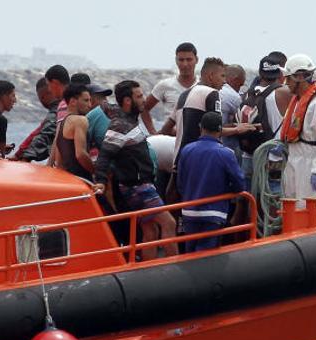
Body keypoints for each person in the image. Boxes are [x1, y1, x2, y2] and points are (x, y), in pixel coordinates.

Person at [95, 80, 178, 260]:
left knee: (150, 229)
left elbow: (106, 106)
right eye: (139, 96)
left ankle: (149, 271)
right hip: (138, 186)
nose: (144, 100)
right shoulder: (119, 127)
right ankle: (175, 267)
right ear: (127, 101)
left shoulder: (127, 118)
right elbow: (105, 155)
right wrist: (100, 181)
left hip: (140, 183)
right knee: (169, 223)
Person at [177, 112, 244, 252]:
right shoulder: (226, 153)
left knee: (190, 253)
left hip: (189, 212)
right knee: (208, 258)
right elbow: (240, 185)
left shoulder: (186, 150)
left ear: (200, 127)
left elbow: (180, 183)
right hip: (214, 213)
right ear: (220, 130)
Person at [279, 54, 316, 205]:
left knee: (306, 208)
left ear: (300, 77)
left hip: (310, 164)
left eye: (289, 78)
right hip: (295, 160)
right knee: (291, 205)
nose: (286, 83)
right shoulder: (298, 102)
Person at [237, 55, 289, 190]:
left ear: (261, 73)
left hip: (248, 155)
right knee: (272, 199)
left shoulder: (249, 93)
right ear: (280, 73)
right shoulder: (283, 93)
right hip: (272, 158)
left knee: (249, 198)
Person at [142, 42, 198, 135]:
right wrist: (152, 132)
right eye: (181, 60)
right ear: (176, 61)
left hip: (195, 140)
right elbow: (144, 108)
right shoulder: (165, 85)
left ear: (196, 60)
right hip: (170, 140)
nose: (185, 64)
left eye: (189, 60)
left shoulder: (203, 86)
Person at [49, 84, 95, 181]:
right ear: (73, 101)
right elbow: (80, 154)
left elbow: (59, 162)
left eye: (90, 100)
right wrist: (97, 172)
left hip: (69, 180)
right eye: (86, 100)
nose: (90, 105)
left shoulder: (61, 123)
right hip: (83, 180)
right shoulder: (80, 120)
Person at [12, 77, 58, 162]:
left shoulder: (57, 111)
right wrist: (19, 154)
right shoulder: (63, 108)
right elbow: (38, 132)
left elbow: (45, 135)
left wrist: (26, 158)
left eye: (41, 98)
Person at [219, 64, 245, 158]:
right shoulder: (233, 96)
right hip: (227, 145)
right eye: (240, 85)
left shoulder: (214, 90)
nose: (239, 88)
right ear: (235, 79)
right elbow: (241, 120)